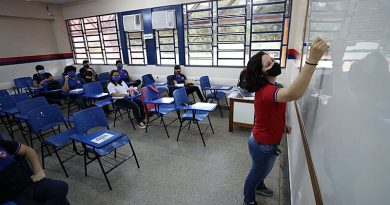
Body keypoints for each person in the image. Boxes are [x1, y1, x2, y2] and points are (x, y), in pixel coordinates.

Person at [242, 37, 328, 205]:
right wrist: (312, 61)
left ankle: (259, 186)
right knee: (255, 173)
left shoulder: (274, 87)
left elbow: (273, 112)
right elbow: (292, 94)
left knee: (259, 171)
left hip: (260, 140)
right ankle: (248, 201)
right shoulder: (267, 91)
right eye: (268, 64)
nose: (273, 64)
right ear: (262, 74)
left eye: (272, 60)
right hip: (263, 145)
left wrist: (283, 124)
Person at [0, 138, 69, 205]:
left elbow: (28, 150)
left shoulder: (2, 144)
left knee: (61, 187)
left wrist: (38, 171)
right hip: (14, 197)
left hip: (30, 183)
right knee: (61, 201)